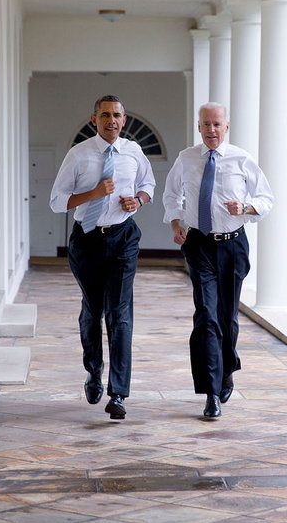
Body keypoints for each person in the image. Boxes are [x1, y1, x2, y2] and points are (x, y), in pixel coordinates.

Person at [162, 102, 273, 418]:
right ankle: (210, 391)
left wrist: (247, 208)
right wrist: (175, 223)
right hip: (199, 244)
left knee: (227, 318)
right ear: (199, 127)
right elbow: (172, 196)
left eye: (217, 124)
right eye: (206, 124)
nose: (211, 130)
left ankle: (227, 367)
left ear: (226, 127)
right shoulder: (186, 159)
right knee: (207, 315)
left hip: (233, 245)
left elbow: (266, 199)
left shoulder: (242, 159)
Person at [49, 95, 155, 420]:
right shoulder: (78, 155)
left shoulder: (134, 152)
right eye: (105, 115)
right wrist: (93, 194)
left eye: (117, 115)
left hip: (123, 238)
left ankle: (119, 393)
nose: (112, 120)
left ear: (124, 120)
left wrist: (138, 200)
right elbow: (56, 201)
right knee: (93, 312)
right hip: (87, 241)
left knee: (120, 313)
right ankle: (93, 372)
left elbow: (148, 184)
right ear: (94, 119)